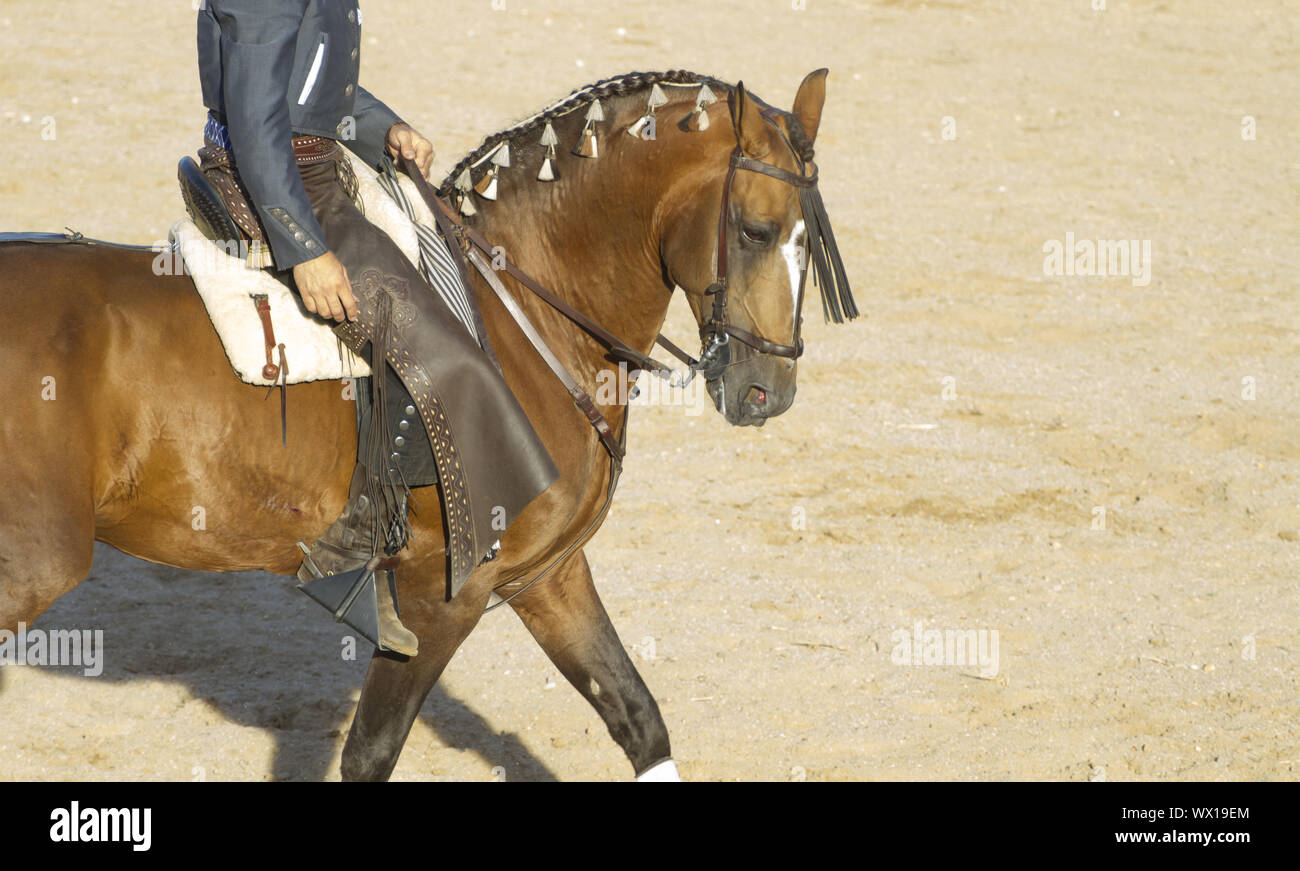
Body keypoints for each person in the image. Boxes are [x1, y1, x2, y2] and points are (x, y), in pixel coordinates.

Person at [195, 0, 559, 656]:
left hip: (312, 165)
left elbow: (307, 83)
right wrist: (303, 247)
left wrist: (383, 129)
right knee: (434, 342)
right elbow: (255, 116)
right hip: (274, 184)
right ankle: (349, 547)